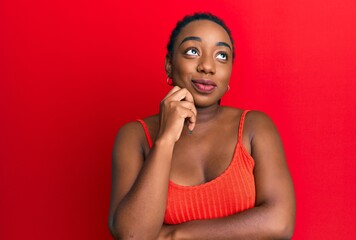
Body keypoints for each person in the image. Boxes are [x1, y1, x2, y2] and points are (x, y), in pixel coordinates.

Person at [108, 12, 296, 240]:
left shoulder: (254, 127)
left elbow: (280, 223)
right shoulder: (135, 136)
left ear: (229, 73)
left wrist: (176, 235)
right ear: (169, 64)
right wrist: (165, 140)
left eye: (222, 56)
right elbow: (132, 236)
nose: (207, 66)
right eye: (192, 51)